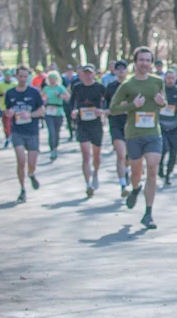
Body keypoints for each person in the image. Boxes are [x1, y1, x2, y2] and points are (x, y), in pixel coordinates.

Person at [107, 47, 167, 228]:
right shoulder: (127, 85)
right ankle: (135, 189)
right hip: (133, 134)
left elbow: (164, 103)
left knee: (152, 168)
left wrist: (161, 103)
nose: (145, 63)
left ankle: (148, 213)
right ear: (135, 62)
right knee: (136, 172)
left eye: (148, 60)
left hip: (153, 133)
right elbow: (113, 108)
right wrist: (133, 105)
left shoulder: (157, 82)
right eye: (141, 60)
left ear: (151, 63)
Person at [5, 66, 46, 203]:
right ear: (16, 76)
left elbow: (41, 110)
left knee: (31, 163)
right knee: (21, 160)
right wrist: (9, 113)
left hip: (32, 131)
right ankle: (22, 189)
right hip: (17, 131)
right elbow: (7, 110)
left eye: (25, 76)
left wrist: (31, 114)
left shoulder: (34, 92)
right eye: (20, 76)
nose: (23, 79)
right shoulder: (10, 93)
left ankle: (32, 174)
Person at [70, 64, 107, 196]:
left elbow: (108, 103)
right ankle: (87, 184)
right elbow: (71, 103)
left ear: (94, 74)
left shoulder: (100, 88)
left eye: (89, 73)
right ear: (81, 74)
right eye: (85, 73)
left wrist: (101, 111)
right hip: (82, 124)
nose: (87, 75)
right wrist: (73, 112)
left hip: (96, 124)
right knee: (86, 155)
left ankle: (95, 174)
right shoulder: (77, 87)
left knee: (96, 154)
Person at [104, 60, 131, 195]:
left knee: (129, 156)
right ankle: (122, 185)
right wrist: (107, 111)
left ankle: (127, 172)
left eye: (123, 68)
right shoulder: (110, 87)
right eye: (118, 69)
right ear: (114, 71)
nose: (120, 71)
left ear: (127, 71)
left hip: (130, 123)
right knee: (120, 154)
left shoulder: (132, 85)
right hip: (115, 123)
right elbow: (106, 105)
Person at [157, 70, 177, 185]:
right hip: (161, 125)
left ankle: (168, 174)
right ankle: (160, 167)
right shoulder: (160, 91)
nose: (170, 80)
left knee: (174, 152)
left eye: (172, 78)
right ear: (165, 79)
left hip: (174, 126)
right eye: (168, 78)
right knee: (164, 149)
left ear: (176, 79)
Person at [41, 70, 70, 161]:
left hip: (58, 111)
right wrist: (44, 101)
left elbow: (67, 97)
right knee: (51, 131)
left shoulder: (60, 87)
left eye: (53, 78)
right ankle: (52, 149)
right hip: (49, 111)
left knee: (56, 131)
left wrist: (60, 96)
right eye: (50, 78)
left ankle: (56, 146)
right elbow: (41, 97)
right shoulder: (46, 88)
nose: (52, 80)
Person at [0, 71, 17, 148]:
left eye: (9, 76)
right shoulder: (0, 85)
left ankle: (14, 136)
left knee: (13, 123)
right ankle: (7, 137)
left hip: (13, 107)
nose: (8, 77)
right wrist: (2, 94)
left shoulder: (14, 84)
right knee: (6, 123)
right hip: (4, 106)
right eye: (6, 76)